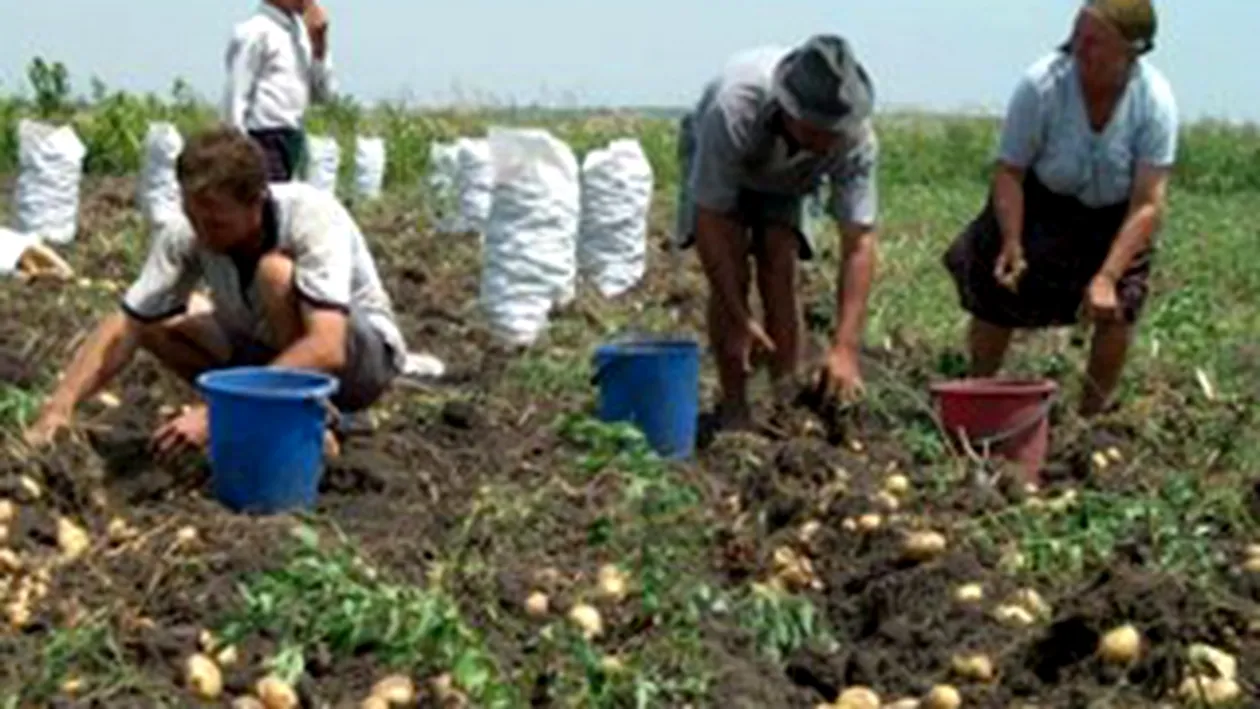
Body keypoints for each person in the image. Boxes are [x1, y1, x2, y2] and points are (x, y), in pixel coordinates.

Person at [24, 127, 407, 458]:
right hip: (269, 349)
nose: (202, 234)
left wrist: (219, 414)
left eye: (217, 223)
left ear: (257, 201)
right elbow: (127, 324)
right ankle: (266, 409)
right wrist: (58, 409)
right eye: (193, 217)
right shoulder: (188, 234)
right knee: (158, 321)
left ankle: (305, 420)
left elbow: (327, 346)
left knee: (275, 274)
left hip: (359, 366)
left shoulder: (310, 216)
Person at [943, 0, 1176, 417]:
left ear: (1130, 50)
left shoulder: (1153, 101)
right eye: (1077, 36)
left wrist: (1106, 276)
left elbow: (1147, 203)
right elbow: (1009, 172)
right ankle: (979, 393)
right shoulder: (1042, 85)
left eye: (1095, 41)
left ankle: (1090, 420)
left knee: (1120, 305)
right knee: (1001, 286)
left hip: (1114, 217)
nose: (1079, 49)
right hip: (1041, 203)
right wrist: (1013, 241)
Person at [675, 34, 881, 430]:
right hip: (728, 163)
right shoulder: (735, 107)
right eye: (814, 130)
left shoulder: (855, 139)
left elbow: (859, 241)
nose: (825, 140)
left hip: (792, 179)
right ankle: (735, 406)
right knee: (731, 272)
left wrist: (845, 346)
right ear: (787, 108)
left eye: (832, 132)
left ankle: (786, 405)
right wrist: (738, 314)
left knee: (779, 261)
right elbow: (712, 219)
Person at [222, 0, 335, 182]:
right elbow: (236, 98)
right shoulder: (255, 32)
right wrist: (238, 153)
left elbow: (322, 96)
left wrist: (319, 48)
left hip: (293, 138)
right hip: (263, 138)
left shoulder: (302, 35)